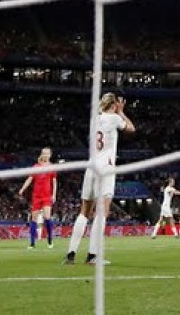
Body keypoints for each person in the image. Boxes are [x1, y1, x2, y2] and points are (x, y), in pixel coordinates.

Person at [65, 93, 135, 265]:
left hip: (91, 166)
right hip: (106, 167)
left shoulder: (95, 119)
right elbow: (132, 129)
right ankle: (92, 256)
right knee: (102, 211)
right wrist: (121, 112)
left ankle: (71, 254)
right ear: (114, 104)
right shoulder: (114, 118)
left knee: (84, 211)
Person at [18, 147, 58, 249]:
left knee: (47, 217)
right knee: (34, 219)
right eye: (44, 153)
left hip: (46, 196)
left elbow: (54, 182)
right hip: (36, 196)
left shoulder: (52, 167)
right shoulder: (36, 166)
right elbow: (30, 179)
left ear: (50, 155)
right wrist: (22, 189)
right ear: (42, 154)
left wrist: (54, 195)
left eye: (48, 154)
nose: (46, 155)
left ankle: (49, 239)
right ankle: (32, 243)